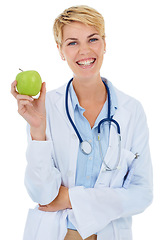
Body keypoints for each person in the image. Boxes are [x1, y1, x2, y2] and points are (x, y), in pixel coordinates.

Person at [11, 5, 153, 240]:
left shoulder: (132, 111)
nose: (85, 50)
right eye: (72, 42)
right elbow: (42, 195)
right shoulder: (46, 108)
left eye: (93, 39)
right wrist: (38, 131)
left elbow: (142, 194)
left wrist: (69, 198)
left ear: (105, 43)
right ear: (60, 50)